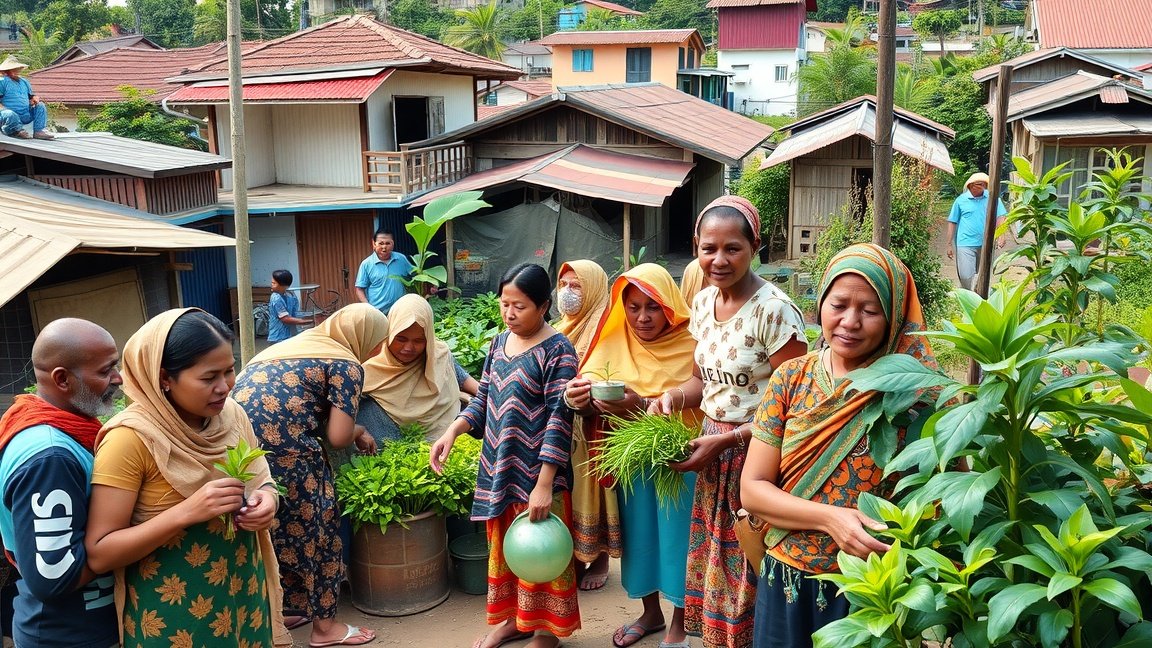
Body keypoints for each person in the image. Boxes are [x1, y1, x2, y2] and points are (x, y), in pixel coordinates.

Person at [741, 243, 937, 648]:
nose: (850, 321)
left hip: (872, 588)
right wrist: (831, 518)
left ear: (895, 317)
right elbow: (753, 490)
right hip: (786, 578)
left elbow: (940, 498)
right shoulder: (791, 379)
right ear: (821, 305)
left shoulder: (918, 396)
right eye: (839, 304)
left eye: (870, 310)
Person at [650, 195, 808, 648]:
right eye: (708, 248)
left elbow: (795, 402)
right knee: (717, 554)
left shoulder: (774, 311)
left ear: (755, 245)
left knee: (751, 555)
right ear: (696, 248)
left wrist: (732, 440)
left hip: (759, 453)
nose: (718, 260)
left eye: (732, 248)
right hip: (711, 447)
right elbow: (701, 381)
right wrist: (672, 396)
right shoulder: (701, 304)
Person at [85, 309, 289, 647]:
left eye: (229, 370)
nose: (224, 387)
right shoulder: (131, 439)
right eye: (209, 377)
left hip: (244, 595)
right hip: (173, 614)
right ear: (165, 377)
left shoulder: (231, 416)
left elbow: (260, 481)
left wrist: (266, 500)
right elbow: (100, 552)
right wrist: (187, 512)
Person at [430, 263, 579, 648]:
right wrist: (454, 429)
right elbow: (483, 399)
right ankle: (515, 621)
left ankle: (546, 631)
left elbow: (560, 419)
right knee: (506, 548)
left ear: (544, 306)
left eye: (520, 306)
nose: (509, 314)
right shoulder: (498, 343)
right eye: (504, 304)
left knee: (541, 548)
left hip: (538, 472)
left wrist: (545, 483)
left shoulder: (558, 349)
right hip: (500, 466)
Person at [232, 303, 386, 648]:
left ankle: (287, 609)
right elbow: (338, 437)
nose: (376, 350)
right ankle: (325, 630)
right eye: (377, 341)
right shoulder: (345, 361)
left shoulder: (286, 348)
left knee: (276, 529)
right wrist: (360, 430)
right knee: (322, 531)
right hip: (292, 454)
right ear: (364, 335)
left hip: (240, 450)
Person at [563, 264, 699, 648]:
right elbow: (589, 403)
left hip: (681, 458)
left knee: (677, 539)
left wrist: (642, 403)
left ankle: (679, 622)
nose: (642, 317)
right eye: (634, 306)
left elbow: (706, 395)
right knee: (640, 539)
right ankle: (650, 613)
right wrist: (581, 402)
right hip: (629, 458)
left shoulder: (693, 344)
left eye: (653, 307)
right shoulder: (610, 340)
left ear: (670, 306)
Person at [0, 319, 120, 648]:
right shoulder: (50, 458)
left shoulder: (62, 428)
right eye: (105, 371)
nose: (118, 379)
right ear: (62, 379)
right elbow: (53, 578)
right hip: (69, 634)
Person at [553, 260, 616, 591]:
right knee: (565, 492)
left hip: (593, 428)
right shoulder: (558, 327)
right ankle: (572, 557)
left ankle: (599, 556)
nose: (567, 292)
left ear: (592, 289)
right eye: (563, 284)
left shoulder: (608, 330)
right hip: (561, 426)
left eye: (576, 286)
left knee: (590, 490)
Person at [353, 293, 480, 447]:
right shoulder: (367, 367)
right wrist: (356, 430)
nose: (408, 348)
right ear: (390, 332)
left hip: (447, 438)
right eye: (401, 339)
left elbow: (469, 382)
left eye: (419, 341)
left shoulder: (438, 355)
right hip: (391, 450)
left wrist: (494, 398)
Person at [946, 172, 1007, 291]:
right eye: (978, 184)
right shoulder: (960, 201)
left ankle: (979, 299)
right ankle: (969, 296)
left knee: (983, 275)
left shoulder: (992, 198)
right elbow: (952, 221)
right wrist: (948, 244)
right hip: (965, 243)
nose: (981, 186)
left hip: (987, 243)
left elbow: (1000, 217)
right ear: (970, 186)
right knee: (966, 276)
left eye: (983, 184)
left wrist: (1001, 235)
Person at [355, 230, 414, 314]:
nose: (384, 247)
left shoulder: (401, 259)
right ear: (374, 244)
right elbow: (359, 289)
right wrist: (368, 307)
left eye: (387, 243)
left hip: (400, 311)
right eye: (381, 243)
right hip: (377, 312)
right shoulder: (366, 264)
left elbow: (415, 275)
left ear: (393, 244)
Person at [0, 56, 53, 140]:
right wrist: (3, 110)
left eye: (17, 69)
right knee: (10, 114)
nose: (16, 71)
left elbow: (31, 96)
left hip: (24, 114)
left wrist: (35, 98)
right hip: (8, 116)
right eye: (13, 69)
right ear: (6, 71)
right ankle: (16, 131)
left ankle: (39, 131)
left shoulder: (24, 82)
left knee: (40, 106)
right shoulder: (2, 81)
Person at [268, 269, 311, 343]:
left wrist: (310, 316)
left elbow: (295, 313)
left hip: (290, 335)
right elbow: (285, 318)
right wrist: (306, 321)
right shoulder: (276, 297)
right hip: (278, 337)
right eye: (272, 283)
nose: (271, 285)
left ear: (284, 285)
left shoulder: (291, 296)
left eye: (274, 283)